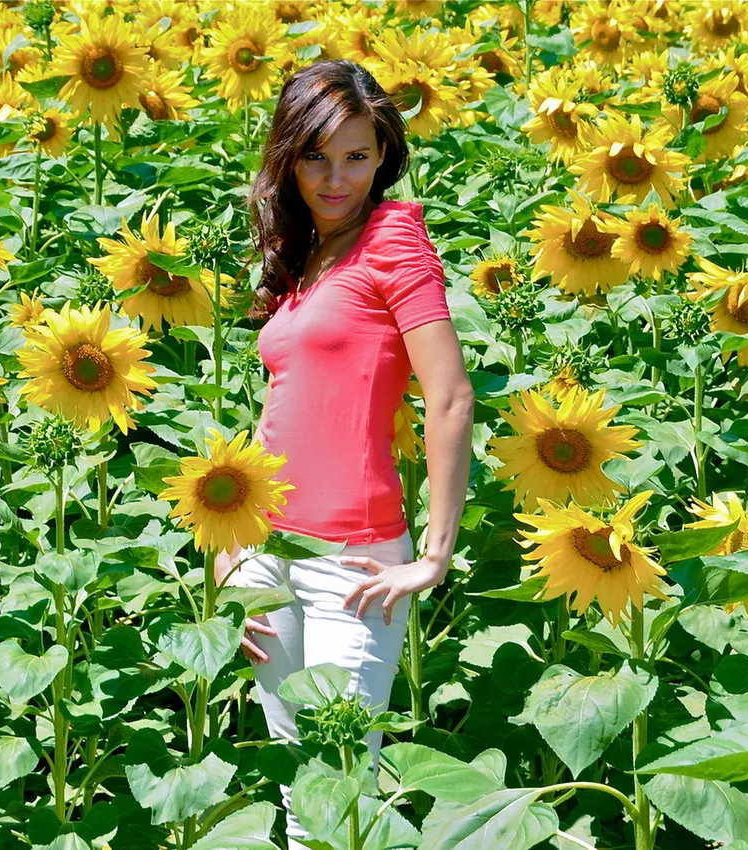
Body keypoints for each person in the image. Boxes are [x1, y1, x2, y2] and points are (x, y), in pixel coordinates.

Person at [214, 59, 474, 849]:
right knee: (302, 782)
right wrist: (229, 548)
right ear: (287, 157)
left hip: (352, 568)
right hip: (265, 553)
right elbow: (280, 415)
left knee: (340, 791)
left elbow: (451, 395)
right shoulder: (305, 259)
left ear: (383, 157)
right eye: (317, 157)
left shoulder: (394, 237)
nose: (337, 178)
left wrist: (433, 555)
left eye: (357, 157)